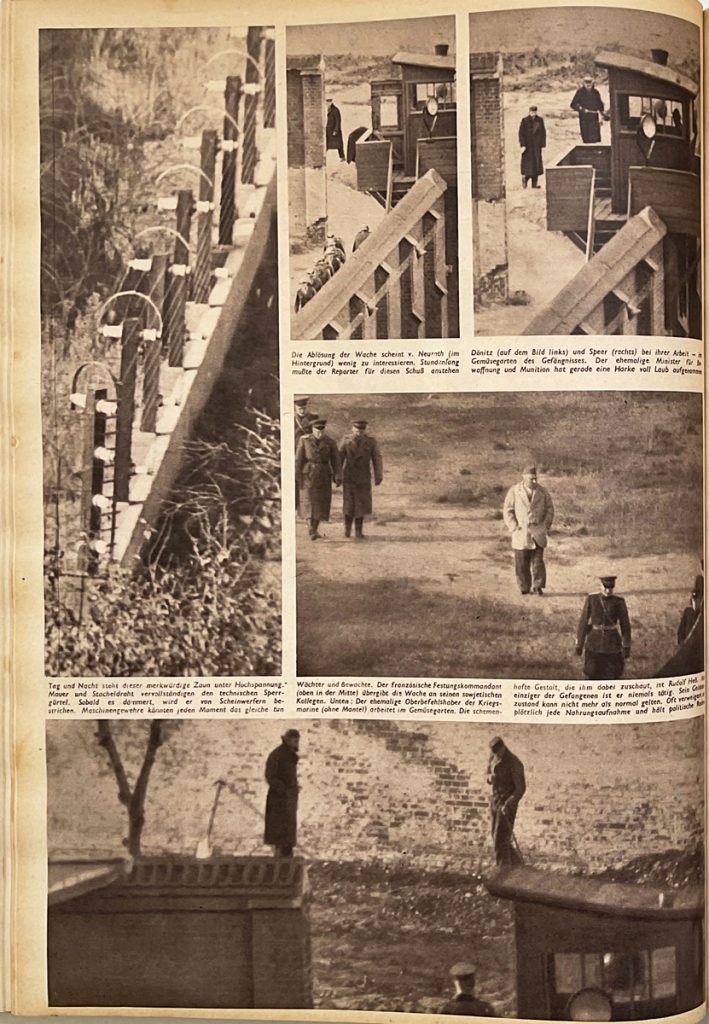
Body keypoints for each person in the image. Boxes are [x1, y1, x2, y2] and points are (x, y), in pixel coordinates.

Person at [502, 466, 554, 595]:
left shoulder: (543, 492)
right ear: (524, 477)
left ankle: (538, 586)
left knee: (538, 562)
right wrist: (513, 526)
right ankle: (524, 587)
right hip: (521, 532)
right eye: (531, 479)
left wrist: (545, 525)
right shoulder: (514, 491)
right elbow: (508, 510)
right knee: (521, 563)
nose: (534, 481)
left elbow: (550, 509)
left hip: (538, 532)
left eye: (535, 478)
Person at [576, 575, 631, 679]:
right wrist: (579, 644)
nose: (608, 590)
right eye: (605, 587)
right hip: (594, 643)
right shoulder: (592, 599)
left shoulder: (619, 602)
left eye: (610, 588)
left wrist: (626, 645)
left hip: (612, 644)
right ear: (600, 586)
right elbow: (583, 622)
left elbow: (625, 625)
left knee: (613, 674)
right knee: (592, 673)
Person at [295, 417, 341, 540]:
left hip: (324, 474)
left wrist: (337, 475)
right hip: (308, 474)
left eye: (321, 430)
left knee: (320, 503)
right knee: (308, 500)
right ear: (312, 429)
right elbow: (298, 459)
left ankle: (314, 529)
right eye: (317, 430)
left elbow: (336, 460)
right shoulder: (304, 440)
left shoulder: (330, 442)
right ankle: (310, 529)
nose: (319, 432)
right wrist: (297, 474)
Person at [339, 419, 383, 539]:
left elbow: (377, 459)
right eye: (357, 430)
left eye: (361, 430)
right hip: (348, 476)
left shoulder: (370, 442)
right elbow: (339, 458)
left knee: (361, 505)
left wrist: (378, 475)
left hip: (363, 477)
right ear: (353, 429)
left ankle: (359, 531)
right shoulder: (346, 440)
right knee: (348, 504)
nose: (359, 432)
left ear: (365, 430)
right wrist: (337, 475)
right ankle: (347, 531)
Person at [487, 737, 526, 867]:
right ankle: (518, 867)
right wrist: (489, 778)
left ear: (503, 748)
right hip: (495, 802)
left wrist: (508, 804)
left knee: (500, 840)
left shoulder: (514, 763)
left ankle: (502, 872)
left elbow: (520, 789)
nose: (496, 756)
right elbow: (487, 772)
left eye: (498, 753)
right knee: (497, 838)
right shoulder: (493, 758)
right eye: (494, 753)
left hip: (507, 805)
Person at [264, 729, 300, 857]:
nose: (297, 744)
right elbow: (270, 776)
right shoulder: (278, 755)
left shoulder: (289, 755)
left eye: (298, 741)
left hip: (287, 800)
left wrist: (293, 791)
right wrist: (284, 790)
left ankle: (286, 857)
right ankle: (280, 860)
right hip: (278, 801)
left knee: (287, 833)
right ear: (288, 740)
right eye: (295, 741)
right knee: (279, 832)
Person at [570, 76, 605, 143]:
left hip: (594, 119)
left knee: (595, 139)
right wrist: (582, 109)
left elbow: (600, 105)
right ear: (583, 83)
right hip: (584, 119)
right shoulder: (580, 92)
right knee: (586, 139)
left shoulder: (596, 92)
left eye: (590, 83)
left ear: (592, 83)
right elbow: (573, 104)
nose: (588, 85)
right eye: (586, 83)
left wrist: (602, 116)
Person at [518, 106, 546, 188]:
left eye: (534, 111)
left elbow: (543, 133)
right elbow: (521, 134)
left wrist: (542, 144)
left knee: (536, 165)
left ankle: (534, 184)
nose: (533, 113)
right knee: (528, 165)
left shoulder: (540, 120)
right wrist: (522, 145)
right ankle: (525, 180)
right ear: (529, 112)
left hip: (536, 146)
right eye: (532, 111)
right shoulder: (525, 121)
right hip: (528, 146)